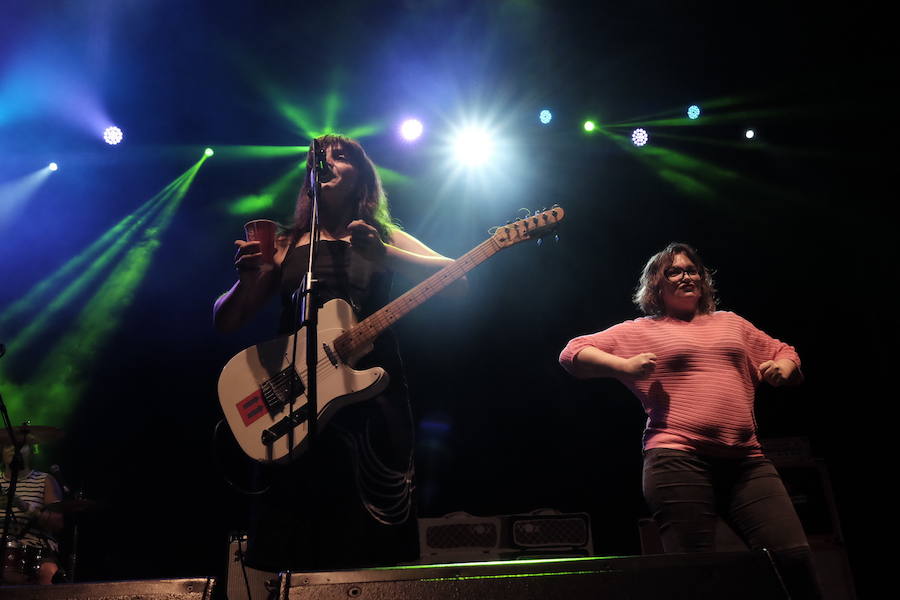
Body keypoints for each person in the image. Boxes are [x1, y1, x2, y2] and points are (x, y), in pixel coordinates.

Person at [214, 134, 462, 571]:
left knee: (367, 537)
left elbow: (456, 279)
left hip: (370, 396)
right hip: (294, 397)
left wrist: (383, 252)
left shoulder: (383, 235)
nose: (326, 162)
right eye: (320, 158)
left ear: (361, 176)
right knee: (298, 533)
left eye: (340, 156)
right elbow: (225, 320)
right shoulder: (287, 242)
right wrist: (248, 281)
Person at [558, 242, 821, 599]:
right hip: (678, 460)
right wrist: (624, 366)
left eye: (692, 270)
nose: (686, 276)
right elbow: (572, 352)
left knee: (794, 559)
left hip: (746, 461)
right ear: (657, 284)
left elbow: (784, 352)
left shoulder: (731, 323)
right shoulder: (642, 329)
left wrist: (784, 369)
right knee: (696, 576)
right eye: (674, 271)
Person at [1, 438, 64, 585]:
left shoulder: (45, 480)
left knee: (48, 570)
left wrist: (24, 506)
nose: (13, 449)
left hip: (34, 551)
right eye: (8, 445)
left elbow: (57, 524)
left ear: (31, 451)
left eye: (20, 445)